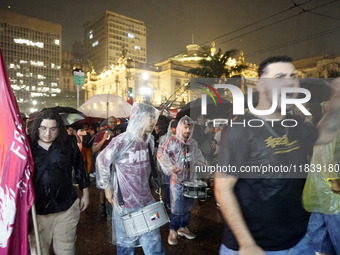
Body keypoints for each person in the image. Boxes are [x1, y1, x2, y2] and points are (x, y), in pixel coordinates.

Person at [214, 56, 340, 255]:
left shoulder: (296, 125)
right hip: (255, 247)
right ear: (262, 85)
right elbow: (222, 188)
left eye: (293, 76)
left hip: (299, 241)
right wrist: (246, 244)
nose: (289, 82)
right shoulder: (241, 128)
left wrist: (337, 99)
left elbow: (325, 134)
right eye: (280, 76)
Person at [96, 103, 165, 255]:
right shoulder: (122, 141)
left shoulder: (149, 141)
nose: (153, 121)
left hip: (146, 201)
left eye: (154, 117)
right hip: (125, 203)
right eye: (150, 117)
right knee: (126, 244)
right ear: (139, 119)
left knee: (154, 243)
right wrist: (107, 186)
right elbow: (102, 160)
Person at [28, 109, 90, 255]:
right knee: (38, 250)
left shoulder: (68, 143)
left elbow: (79, 167)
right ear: (37, 127)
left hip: (66, 207)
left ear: (59, 129)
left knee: (66, 249)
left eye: (52, 129)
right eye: (43, 128)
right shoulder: (27, 144)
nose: (47, 133)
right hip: (37, 211)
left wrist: (86, 193)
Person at [157, 115, 207, 246]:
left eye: (190, 128)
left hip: (190, 180)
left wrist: (205, 163)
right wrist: (171, 167)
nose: (188, 131)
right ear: (179, 128)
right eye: (185, 127)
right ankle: (173, 231)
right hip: (177, 180)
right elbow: (160, 154)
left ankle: (183, 227)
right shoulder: (172, 141)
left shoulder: (193, 143)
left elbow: (198, 156)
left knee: (188, 205)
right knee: (177, 206)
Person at [303, 102, 340, 255]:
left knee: (318, 229)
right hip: (330, 189)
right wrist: (334, 181)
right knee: (335, 225)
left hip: (321, 187)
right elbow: (325, 155)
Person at [92, 116, 118, 218]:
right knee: (104, 187)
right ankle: (103, 206)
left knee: (116, 187)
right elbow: (94, 150)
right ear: (107, 124)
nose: (113, 124)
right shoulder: (100, 135)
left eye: (115, 122)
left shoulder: (119, 136)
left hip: (115, 166)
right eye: (111, 122)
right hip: (104, 166)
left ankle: (115, 207)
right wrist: (103, 139)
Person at [157, 119, 178, 210]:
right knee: (168, 186)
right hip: (168, 168)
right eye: (174, 127)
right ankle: (168, 204)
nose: (176, 129)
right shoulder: (165, 138)